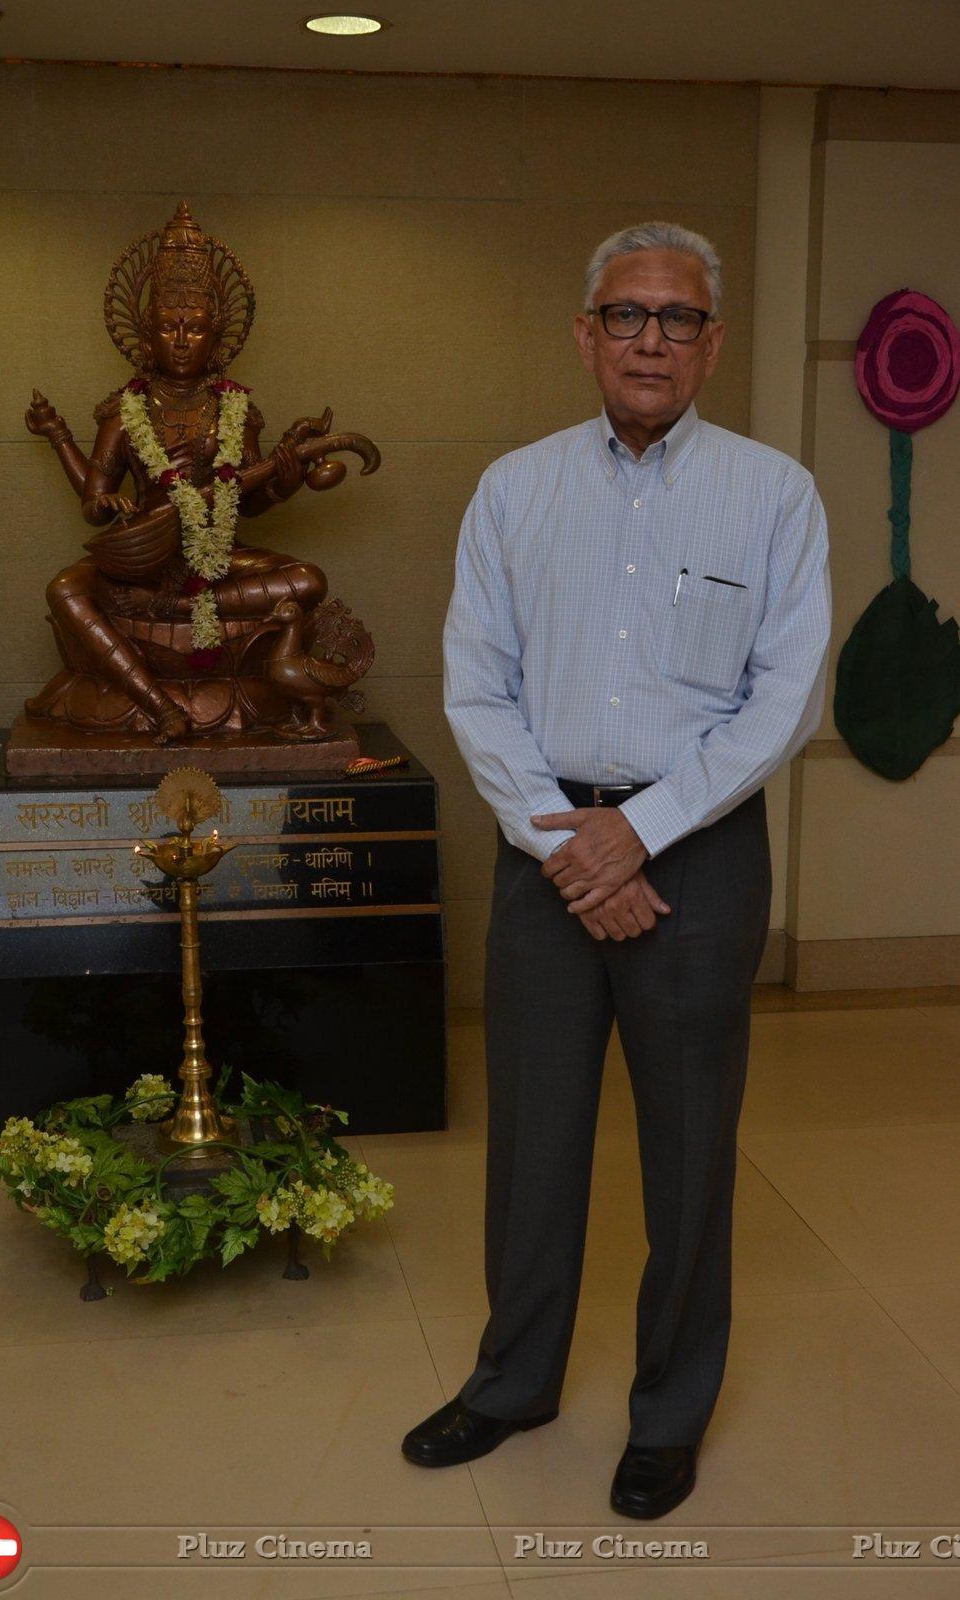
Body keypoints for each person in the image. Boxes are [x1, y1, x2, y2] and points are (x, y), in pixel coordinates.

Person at [401, 221, 831, 1519]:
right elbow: (476, 688)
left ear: (712, 344)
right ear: (585, 335)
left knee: (691, 1150)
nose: (652, 340)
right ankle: (513, 1379)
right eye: (628, 316)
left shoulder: (773, 495)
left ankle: (668, 1413)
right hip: (545, 854)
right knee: (533, 1137)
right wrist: (565, 838)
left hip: (695, 862)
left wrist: (636, 836)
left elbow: (786, 698)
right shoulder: (514, 490)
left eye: (679, 319)